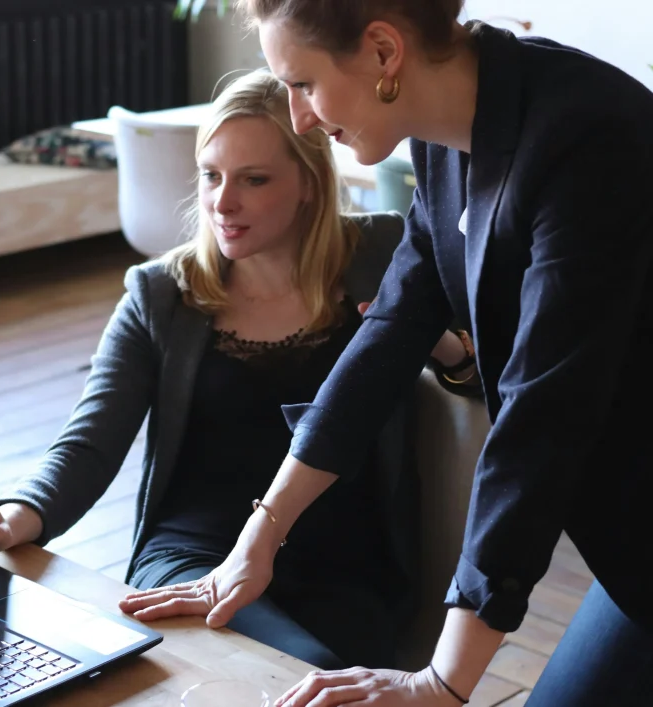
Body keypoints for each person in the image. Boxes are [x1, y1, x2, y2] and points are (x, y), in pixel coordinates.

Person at [122, 2, 653, 706]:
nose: (299, 116)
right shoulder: (446, 136)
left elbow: (540, 419)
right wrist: (261, 534)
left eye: (303, 83)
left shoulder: (586, 136)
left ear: (382, 51)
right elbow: (390, 332)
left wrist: (443, 681)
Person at [0, 69, 467, 671]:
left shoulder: (384, 254)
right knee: (290, 670)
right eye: (211, 176)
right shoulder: (161, 294)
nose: (222, 202)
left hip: (346, 567)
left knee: (311, 672)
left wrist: (439, 344)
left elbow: (481, 381)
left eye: (254, 179)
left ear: (309, 185)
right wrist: (13, 517)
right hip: (194, 557)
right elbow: (88, 444)